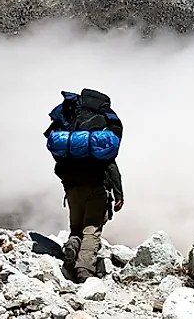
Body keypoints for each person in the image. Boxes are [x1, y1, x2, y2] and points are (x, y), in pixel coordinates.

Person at [43, 88, 125, 282]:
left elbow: (59, 162)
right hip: (96, 187)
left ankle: (72, 246)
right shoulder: (100, 133)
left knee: (76, 227)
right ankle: (84, 271)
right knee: (92, 230)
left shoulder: (70, 127)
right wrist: (119, 194)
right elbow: (111, 166)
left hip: (72, 188)